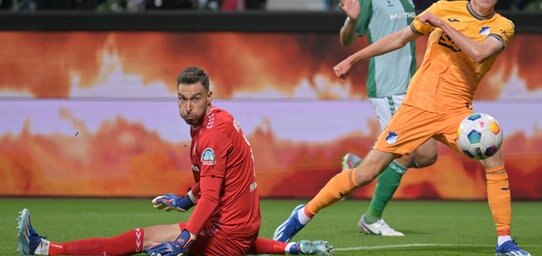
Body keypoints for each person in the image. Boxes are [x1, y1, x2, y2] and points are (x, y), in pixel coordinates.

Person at [273, 0, 532, 256]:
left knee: (494, 158)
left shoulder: (502, 26)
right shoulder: (444, 9)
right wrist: (353, 58)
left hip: (457, 113)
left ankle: (504, 241)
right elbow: (398, 38)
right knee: (365, 173)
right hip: (417, 107)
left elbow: (478, 53)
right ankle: (303, 214)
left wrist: (441, 23)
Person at [17, 67, 333, 256]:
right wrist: (185, 200)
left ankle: (47, 250)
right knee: (141, 240)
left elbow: (210, 196)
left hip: (226, 232)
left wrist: (184, 238)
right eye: (182, 99)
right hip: (237, 230)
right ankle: (46, 249)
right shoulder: (218, 121)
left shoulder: (210, 137)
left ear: (210, 97)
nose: (187, 107)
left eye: (195, 99)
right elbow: (214, 183)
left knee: (138, 240)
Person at [322, 0, 452, 238]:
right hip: (388, 88)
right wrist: (351, 22)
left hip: (412, 85)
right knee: (405, 152)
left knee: (428, 155)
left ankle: (359, 164)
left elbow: (417, 30)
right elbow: (346, 39)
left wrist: (445, 3)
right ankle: (372, 217)